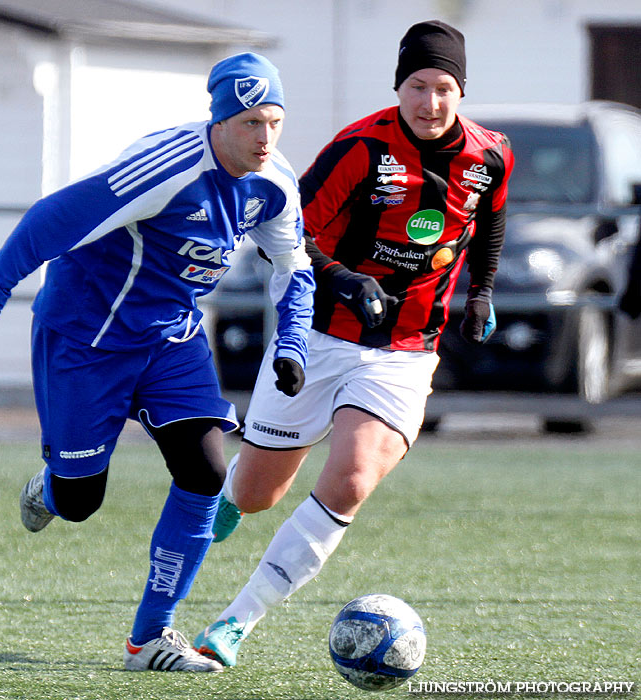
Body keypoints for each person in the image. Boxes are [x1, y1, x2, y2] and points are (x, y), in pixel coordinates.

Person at [0, 52, 314, 672]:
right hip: (87, 337)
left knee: (203, 475)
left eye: (274, 121)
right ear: (219, 121)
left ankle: (150, 639)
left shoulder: (273, 182)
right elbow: (49, 221)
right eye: (250, 122)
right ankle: (55, 488)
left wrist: (293, 342)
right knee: (81, 500)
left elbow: (292, 267)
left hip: (172, 340)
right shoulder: (165, 168)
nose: (264, 137)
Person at [193, 20, 515, 667]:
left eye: (444, 88)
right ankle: (231, 497)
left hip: (405, 351)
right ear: (399, 87)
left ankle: (233, 624)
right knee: (259, 494)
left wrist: (481, 291)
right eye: (418, 86)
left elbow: (488, 227)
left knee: (352, 477)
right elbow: (283, 229)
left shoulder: (490, 156)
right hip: (319, 336)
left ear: (461, 91)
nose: (430, 103)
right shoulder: (361, 148)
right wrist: (341, 278)